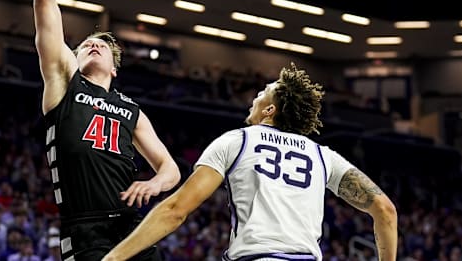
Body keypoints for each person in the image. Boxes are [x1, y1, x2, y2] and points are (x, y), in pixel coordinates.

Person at [3, 0, 181, 261]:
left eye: (102, 45)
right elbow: (45, 0)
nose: (93, 44)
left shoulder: (131, 110)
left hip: (132, 226)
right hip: (85, 228)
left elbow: (170, 169)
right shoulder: (65, 79)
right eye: (86, 43)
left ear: (115, 69)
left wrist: (154, 184)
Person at [102, 63, 398, 261]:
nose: (253, 98)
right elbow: (385, 210)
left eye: (260, 93)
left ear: (269, 109)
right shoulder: (323, 156)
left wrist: (114, 257)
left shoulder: (239, 140)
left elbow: (176, 210)